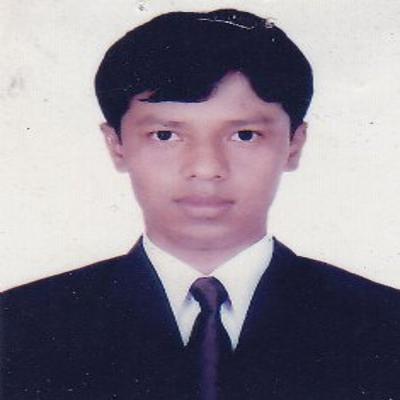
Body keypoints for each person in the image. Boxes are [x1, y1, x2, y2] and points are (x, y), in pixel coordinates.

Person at [1, 9, 400, 400]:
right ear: (116, 145)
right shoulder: (19, 328)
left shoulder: (384, 325)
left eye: (244, 135)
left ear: (294, 144)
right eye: (165, 135)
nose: (206, 169)